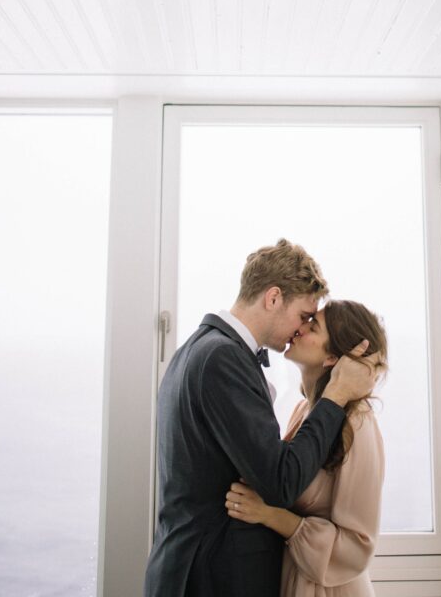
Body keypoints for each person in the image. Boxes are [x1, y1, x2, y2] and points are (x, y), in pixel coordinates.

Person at [143, 240, 378, 597]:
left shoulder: (194, 350)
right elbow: (280, 481)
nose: (299, 330)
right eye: (303, 316)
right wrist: (335, 396)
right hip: (210, 579)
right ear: (272, 298)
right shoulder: (222, 359)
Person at [225, 300, 387, 597]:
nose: (298, 329)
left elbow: (357, 546)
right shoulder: (304, 411)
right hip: (293, 578)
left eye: (312, 326)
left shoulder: (357, 422)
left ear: (333, 357)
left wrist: (270, 514)